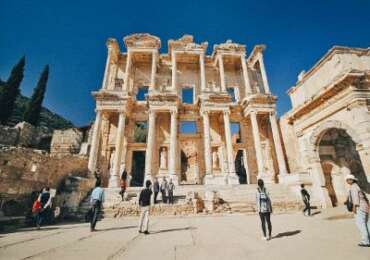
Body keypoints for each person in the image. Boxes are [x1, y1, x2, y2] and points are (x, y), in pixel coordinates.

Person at [346, 174, 370, 247]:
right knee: (366, 223)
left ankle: (365, 241)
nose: (347, 181)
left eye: (348, 180)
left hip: (359, 207)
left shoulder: (353, 187)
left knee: (361, 224)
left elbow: (355, 198)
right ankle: (368, 239)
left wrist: (354, 207)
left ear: (351, 180)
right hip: (365, 206)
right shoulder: (357, 186)